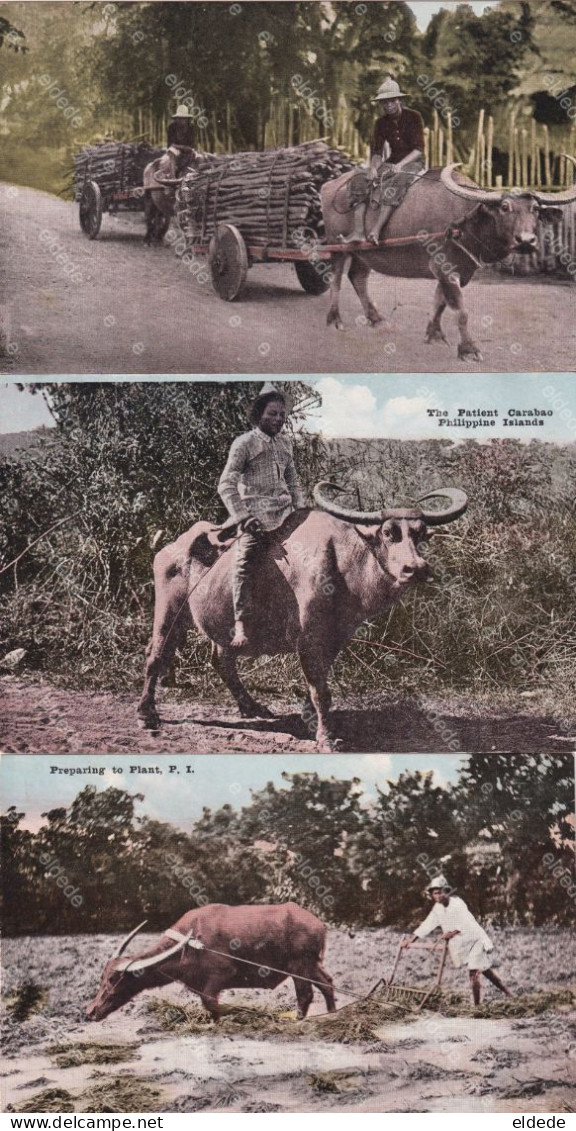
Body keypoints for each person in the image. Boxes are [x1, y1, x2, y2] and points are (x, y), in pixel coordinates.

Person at [217, 384, 305, 650]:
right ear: (259, 415)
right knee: (245, 562)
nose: (278, 419)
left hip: (286, 517)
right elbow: (226, 484)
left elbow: (294, 482)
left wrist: (300, 509)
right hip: (255, 519)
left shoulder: (285, 444)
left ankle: (297, 622)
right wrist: (243, 517)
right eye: (272, 414)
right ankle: (241, 624)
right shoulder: (244, 444)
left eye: (282, 415)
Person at [340, 76, 425, 246]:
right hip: (392, 161)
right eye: (384, 102)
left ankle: (376, 230)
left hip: (413, 162)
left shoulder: (414, 117)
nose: (388, 105)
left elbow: (418, 149)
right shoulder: (380, 123)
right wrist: (373, 168)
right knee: (360, 179)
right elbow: (377, 151)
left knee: (398, 182)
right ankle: (358, 232)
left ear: (399, 99)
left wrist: (401, 166)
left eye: (392, 101)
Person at [401, 875, 512, 1006]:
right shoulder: (437, 908)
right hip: (462, 943)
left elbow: (467, 923)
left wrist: (452, 932)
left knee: (473, 971)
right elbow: (427, 925)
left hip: (474, 938)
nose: (438, 896)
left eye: (440, 892)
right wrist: (411, 940)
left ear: (447, 891)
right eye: (435, 894)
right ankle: (508, 993)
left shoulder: (457, 903)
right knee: (485, 971)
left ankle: (477, 1007)